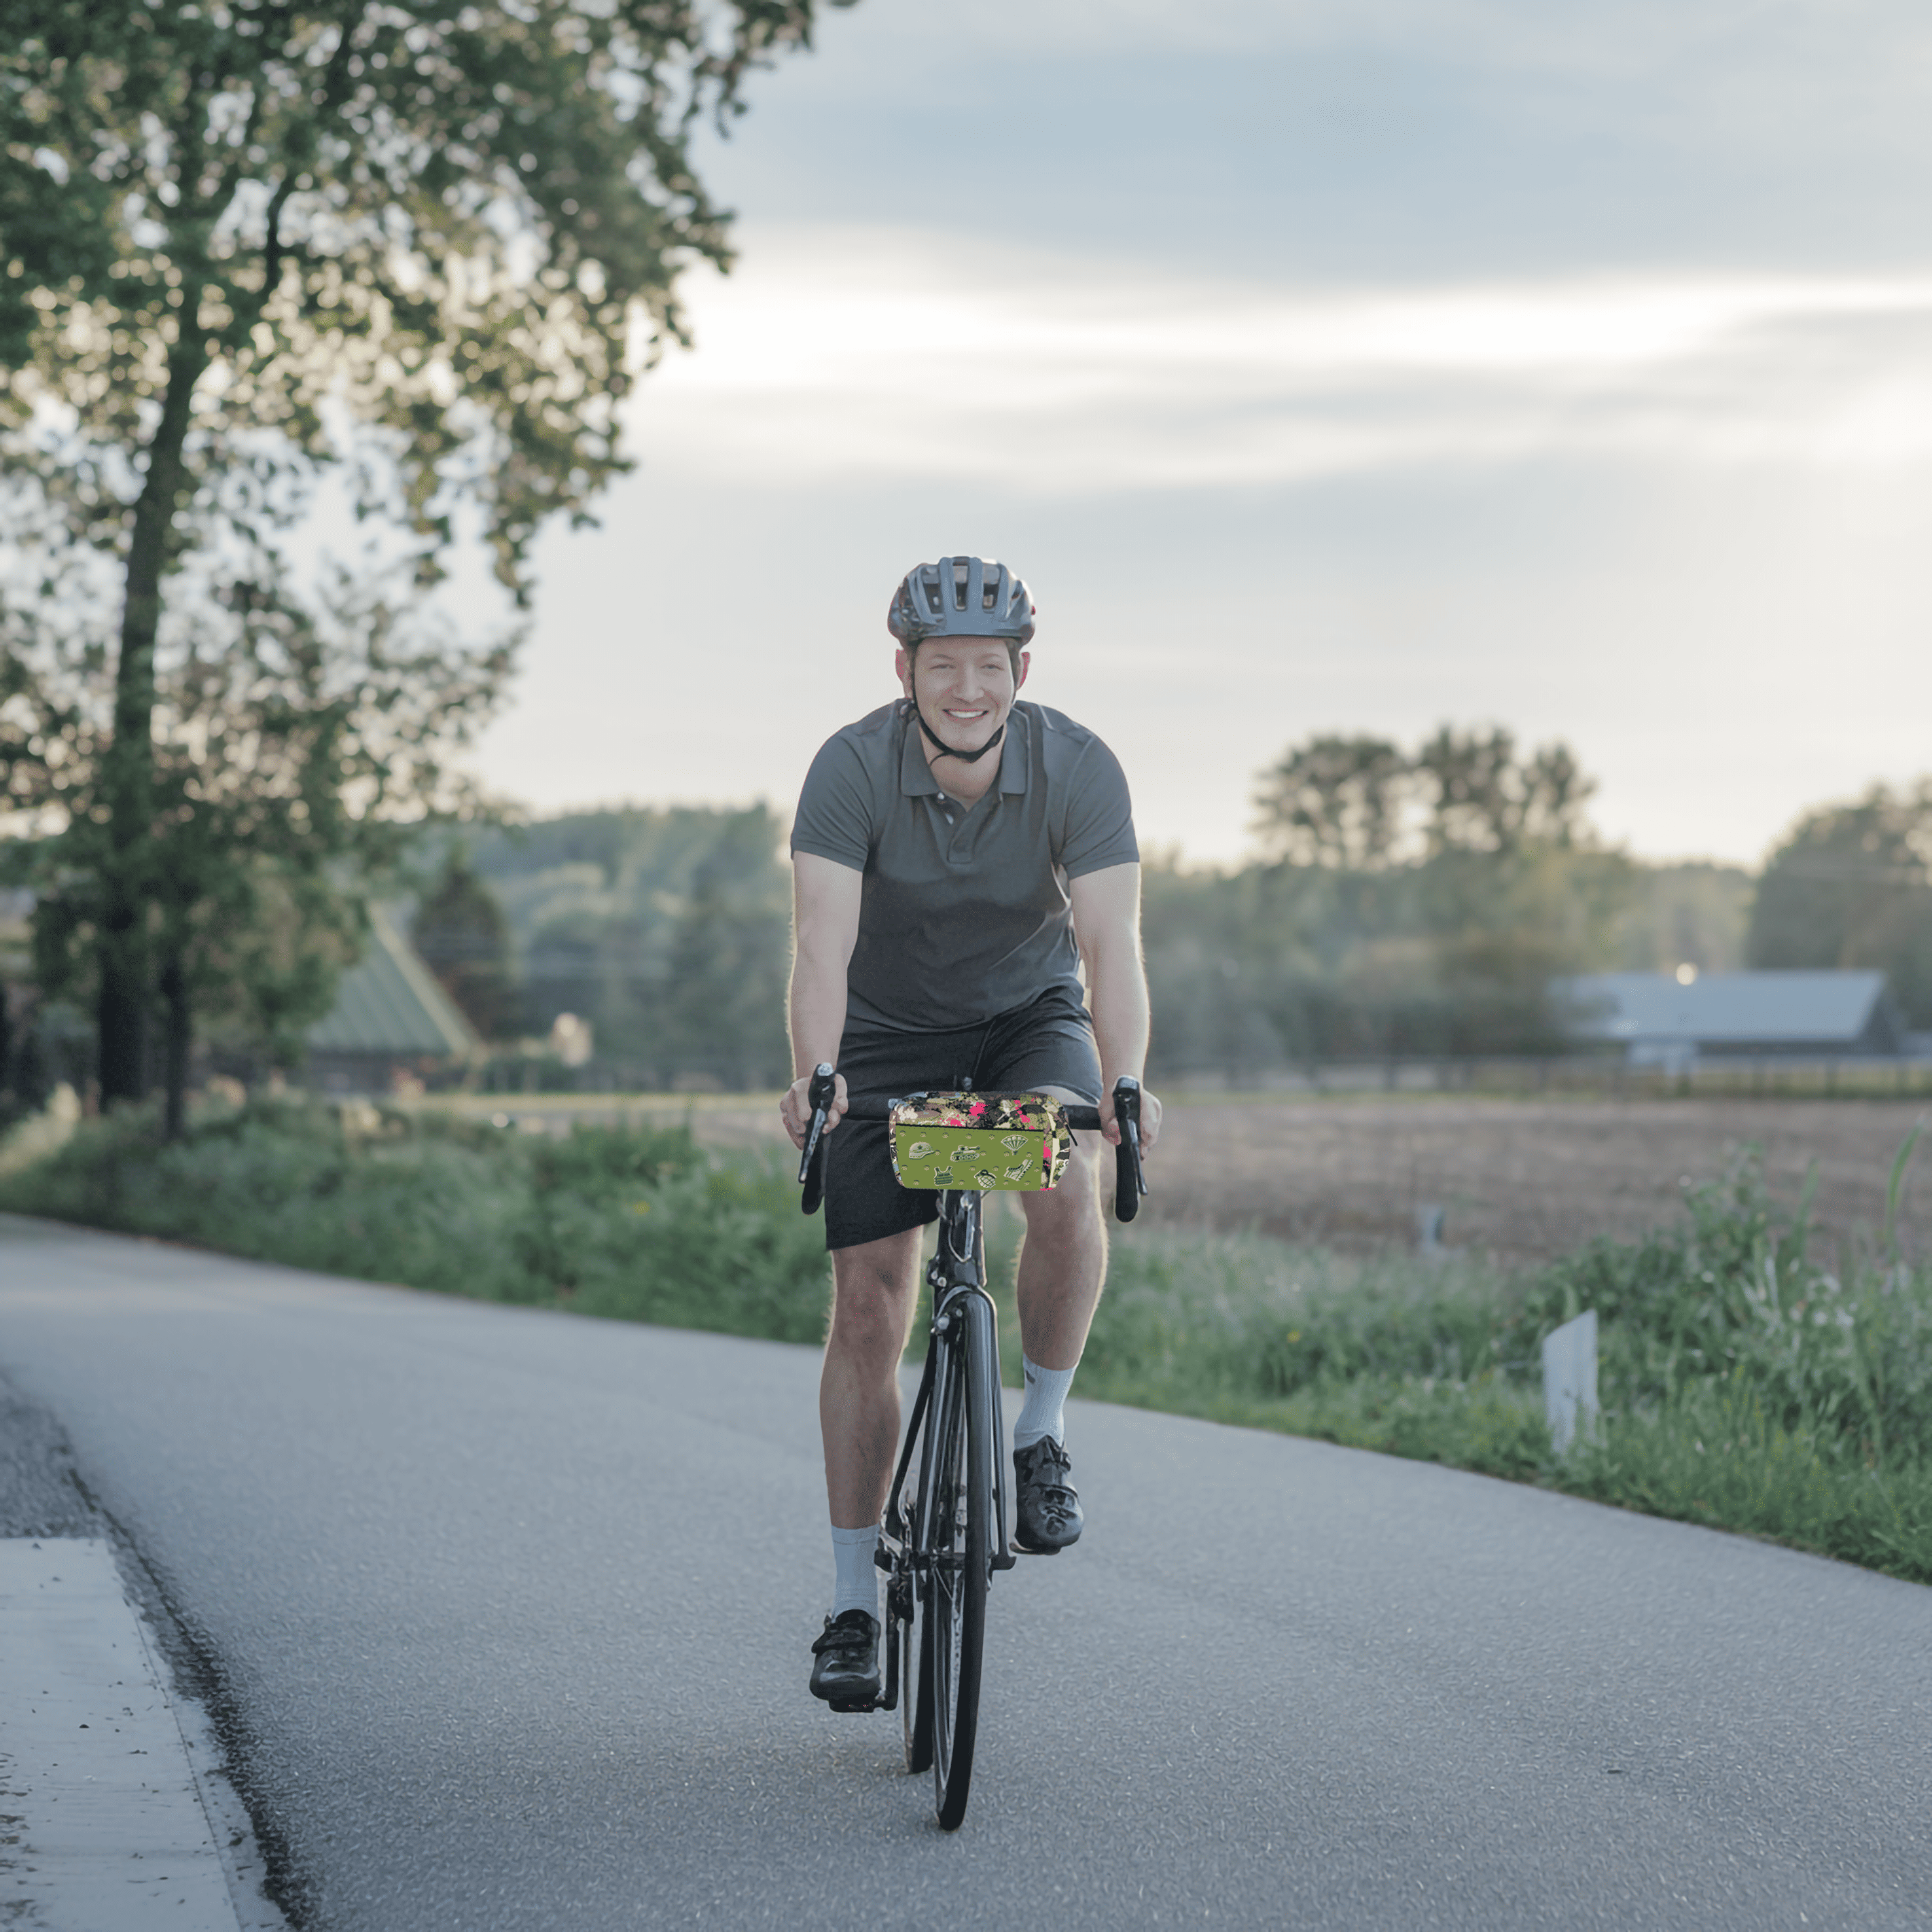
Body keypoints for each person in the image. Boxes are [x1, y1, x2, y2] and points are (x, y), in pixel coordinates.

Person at [779, 554, 1163, 1706]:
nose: (965, 688)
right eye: (941, 666)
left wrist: (1128, 1080)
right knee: (868, 1305)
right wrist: (819, 1075)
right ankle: (854, 1604)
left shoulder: (1078, 766)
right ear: (905, 669)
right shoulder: (850, 768)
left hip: (1023, 1021)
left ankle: (1037, 1434)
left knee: (1065, 1170)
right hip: (886, 1032)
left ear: (1019, 671)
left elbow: (1110, 949)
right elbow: (819, 948)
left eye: (986, 667)